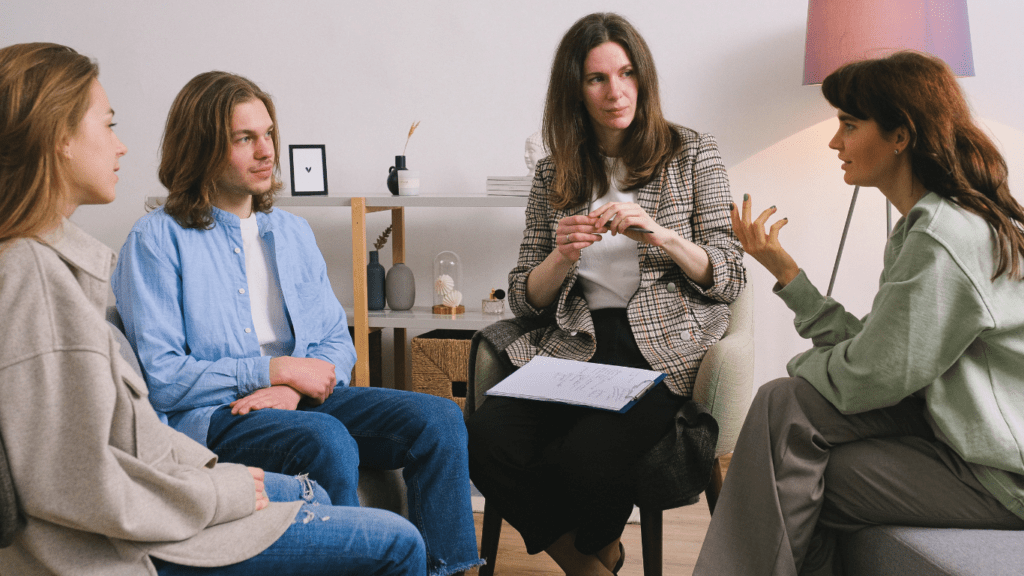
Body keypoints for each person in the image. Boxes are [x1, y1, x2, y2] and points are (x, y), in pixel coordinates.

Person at [0, 42, 426, 576]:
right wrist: (218, 489)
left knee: (413, 431)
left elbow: (125, 441)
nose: (122, 146)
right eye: (107, 125)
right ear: (58, 139)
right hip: (130, 543)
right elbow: (80, 482)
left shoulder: (59, 267)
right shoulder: (37, 278)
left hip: (176, 480)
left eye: (268, 133)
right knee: (393, 537)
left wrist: (224, 461)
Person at [109, 71, 481, 576]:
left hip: (298, 398)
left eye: (268, 135)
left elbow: (333, 340)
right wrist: (275, 372)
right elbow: (164, 378)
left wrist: (294, 389)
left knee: (439, 419)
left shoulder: (291, 231)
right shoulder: (156, 239)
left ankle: (446, 570)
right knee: (323, 438)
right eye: (245, 139)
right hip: (214, 417)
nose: (266, 151)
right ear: (200, 148)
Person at [694, 51, 1024, 575]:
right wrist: (788, 275)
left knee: (788, 420)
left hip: (1001, 478)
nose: (834, 142)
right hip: (954, 441)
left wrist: (799, 366)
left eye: (849, 125)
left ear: (901, 135)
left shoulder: (944, 237)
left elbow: (870, 375)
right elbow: (881, 353)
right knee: (794, 450)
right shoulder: (931, 224)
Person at [465, 13, 746, 576]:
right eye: (597, 79)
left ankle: (596, 550)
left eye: (625, 74)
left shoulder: (693, 153)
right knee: (485, 436)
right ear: (574, 89)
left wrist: (661, 234)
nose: (615, 92)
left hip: (662, 349)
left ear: (642, 78)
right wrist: (560, 255)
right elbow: (525, 298)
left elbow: (731, 277)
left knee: (585, 458)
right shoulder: (554, 174)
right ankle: (593, 563)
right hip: (577, 343)